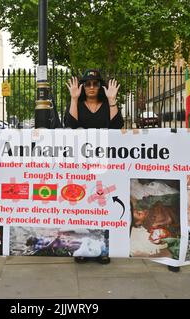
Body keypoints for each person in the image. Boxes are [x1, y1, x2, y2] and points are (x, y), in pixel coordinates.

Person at [65, 69, 124, 264]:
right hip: (82, 164)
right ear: (83, 86)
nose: (91, 87)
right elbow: (70, 125)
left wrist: (112, 100)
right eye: (88, 83)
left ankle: (102, 249)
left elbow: (117, 127)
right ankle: (83, 248)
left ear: (100, 86)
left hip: (106, 164)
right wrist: (73, 99)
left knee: (103, 204)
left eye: (95, 83)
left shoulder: (108, 105)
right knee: (82, 205)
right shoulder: (78, 105)